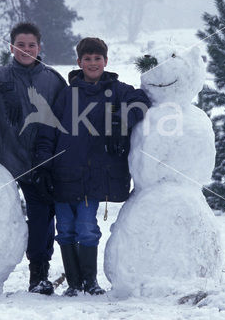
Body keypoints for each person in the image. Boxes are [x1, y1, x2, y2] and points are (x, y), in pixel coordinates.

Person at [33, 37, 150, 296]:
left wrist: (121, 120)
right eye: (88, 59)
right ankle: (74, 284)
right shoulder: (66, 94)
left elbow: (141, 100)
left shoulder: (118, 90)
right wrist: (43, 164)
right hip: (63, 172)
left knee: (86, 228)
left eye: (98, 59)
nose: (93, 63)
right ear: (79, 62)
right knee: (64, 229)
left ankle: (90, 282)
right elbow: (48, 129)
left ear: (106, 61)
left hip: (94, 176)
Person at [0, 22, 66, 295]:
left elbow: (63, 121)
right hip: (6, 161)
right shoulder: (0, 74)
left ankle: (38, 275)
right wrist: (2, 85)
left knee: (42, 217)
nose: (26, 50)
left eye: (31, 45)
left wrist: (49, 162)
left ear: (39, 47)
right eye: (20, 45)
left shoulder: (53, 79)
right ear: (11, 47)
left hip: (40, 163)